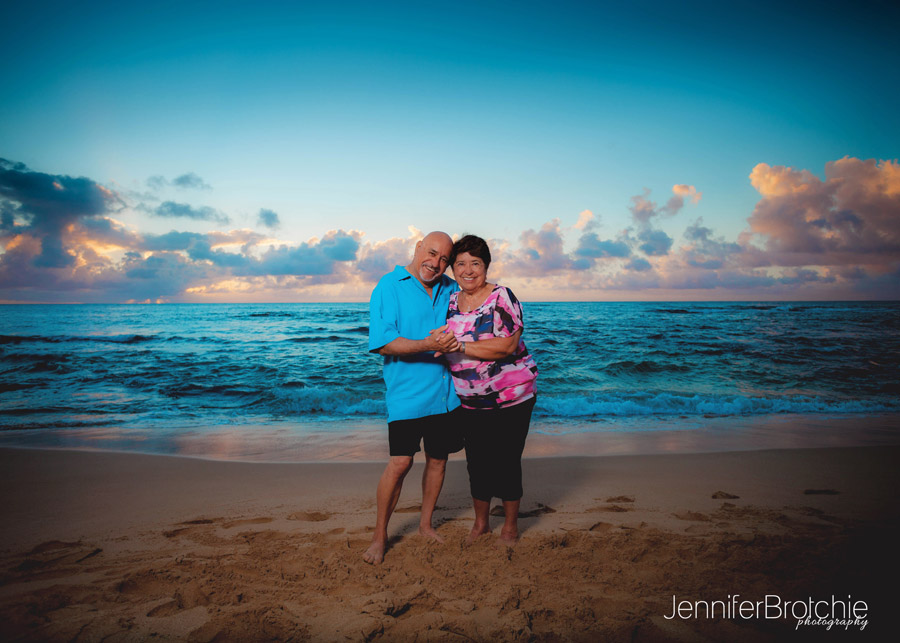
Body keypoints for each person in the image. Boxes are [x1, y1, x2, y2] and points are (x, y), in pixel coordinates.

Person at [364, 231, 463, 564]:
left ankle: (425, 525)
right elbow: (384, 342)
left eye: (444, 260)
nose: (435, 264)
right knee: (400, 463)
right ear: (418, 245)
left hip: (446, 395)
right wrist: (429, 344)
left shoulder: (450, 288)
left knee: (438, 460)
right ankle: (379, 537)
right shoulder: (389, 286)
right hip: (405, 396)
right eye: (431, 253)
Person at [439, 234, 538, 547]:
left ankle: (509, 526)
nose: (468, 270)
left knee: (506, 460)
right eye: (461, 264)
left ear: (486, 266)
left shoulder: (502, 297)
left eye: (475, 263)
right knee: (476, 462)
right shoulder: (451, 301)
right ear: (453, 269)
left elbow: (507, 346)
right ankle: (481, 524)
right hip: (469, 400)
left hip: (512, 396)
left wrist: (460, 345)